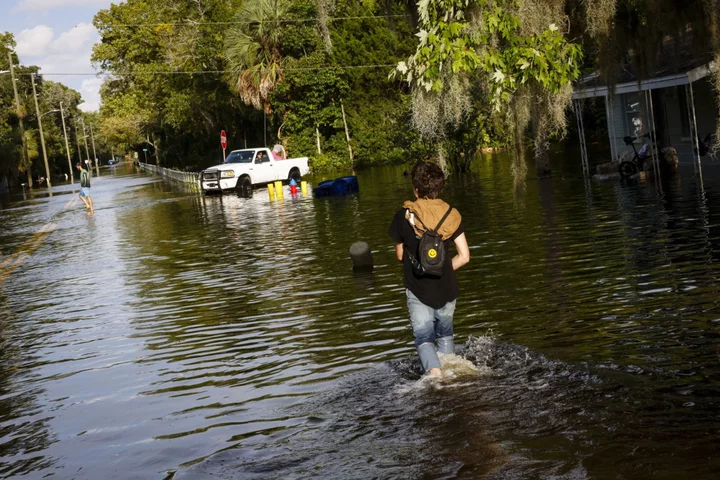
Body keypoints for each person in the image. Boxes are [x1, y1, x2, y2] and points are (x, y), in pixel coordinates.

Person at [389, 162, 470, 377]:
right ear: (439, 187)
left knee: (424, 338)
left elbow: (399, 256)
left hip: (418, 289)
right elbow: (464, 257)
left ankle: (436, 377)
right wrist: (443, 268)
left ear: (416, 189)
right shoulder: (452, 215)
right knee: (445, 335)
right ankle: (452, 376)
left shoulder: (404, 216)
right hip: (447, 289)